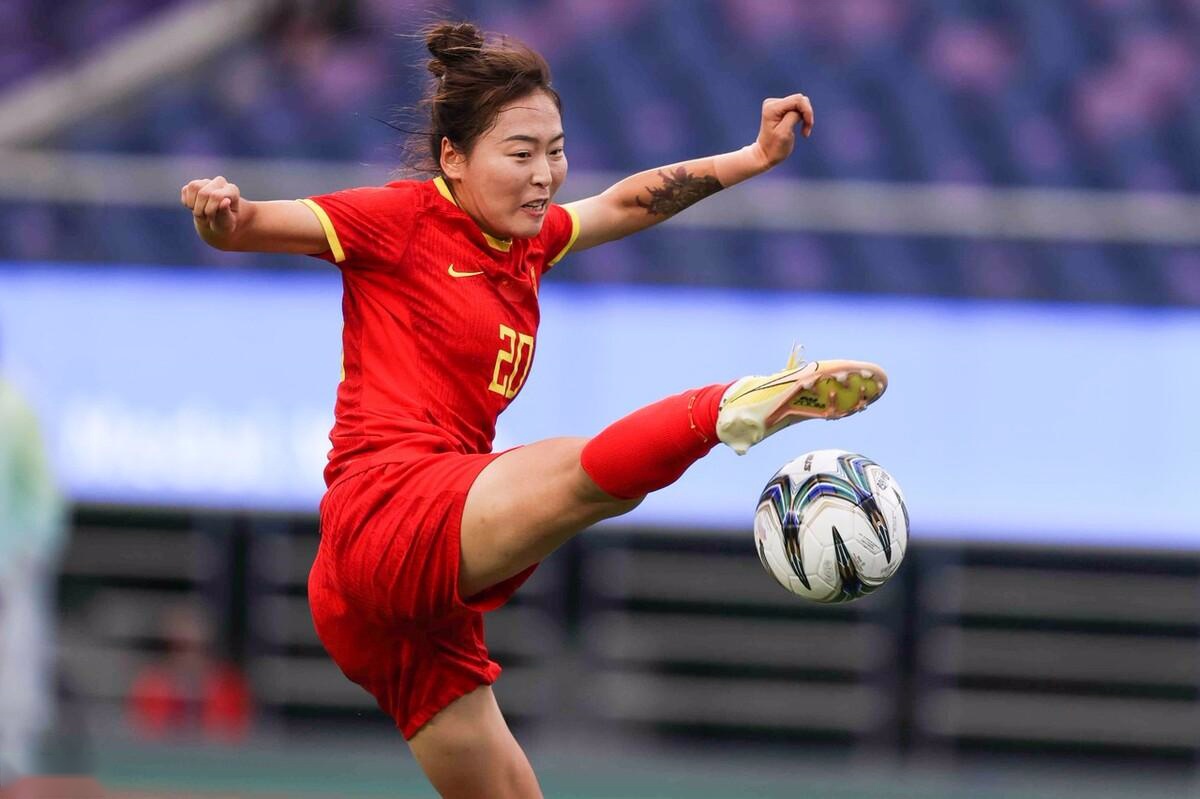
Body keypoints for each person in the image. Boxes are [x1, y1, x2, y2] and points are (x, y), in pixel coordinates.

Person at [181, 22, 887, 798]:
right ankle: (731, 408)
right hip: (386, 515)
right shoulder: (400, 218)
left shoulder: (527, 241)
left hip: (401, 603)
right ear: (454, 158)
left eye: (555, 151)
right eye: (520, 154)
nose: (544, 174)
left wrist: (751, 158)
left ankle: (729, 410)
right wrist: (222, 214)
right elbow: (249, 225)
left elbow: (624, 202)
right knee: (578, 476)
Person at [0, 336, 66, 785]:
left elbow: (43, 494)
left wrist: (25, 557)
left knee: (17, 662)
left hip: (12, 567)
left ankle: (11, 760)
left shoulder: (16, 407)